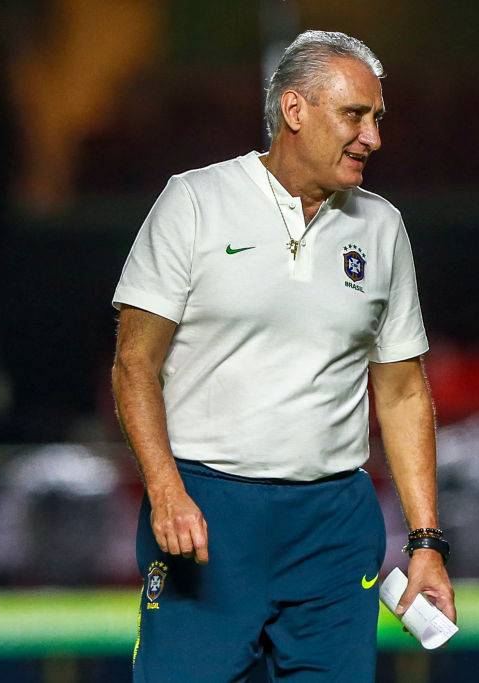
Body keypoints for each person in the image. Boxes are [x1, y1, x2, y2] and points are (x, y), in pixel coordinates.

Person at [110, 30, 455, 682]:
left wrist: (426, 541)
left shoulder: (382, 228)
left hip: (334, 522)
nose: (372, 137)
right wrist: (165, 490)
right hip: (209, 514)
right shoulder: (194, 202)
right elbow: (133, 364)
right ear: (295, 110)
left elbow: (405, 390)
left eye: (377, 118)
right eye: (355, 115)